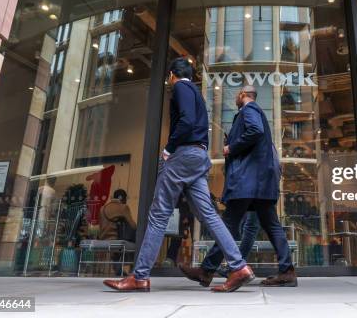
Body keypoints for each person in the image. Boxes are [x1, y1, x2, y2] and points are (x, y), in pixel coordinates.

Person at [104, 57, 254, 292]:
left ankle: (140, 276)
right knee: (210, 216)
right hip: (198, 157)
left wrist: (168, 148)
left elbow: (185, 121)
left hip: (182, 156)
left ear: (172, 74)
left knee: (159, 215)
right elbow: (196, 123)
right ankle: (239, 267)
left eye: (169, 77)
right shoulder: (196, 94)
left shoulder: (181, 87)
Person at [180, 85, 297, 287]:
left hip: (248, 181)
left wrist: (231, 147)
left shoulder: (249, 109)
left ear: (243, 95)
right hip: (259, 182)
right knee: (270, 225)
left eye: (237, 95)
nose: (236, 98)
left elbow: (255, 130)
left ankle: (206, 271)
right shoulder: (255, 111)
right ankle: (287, 271)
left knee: (228, 224)